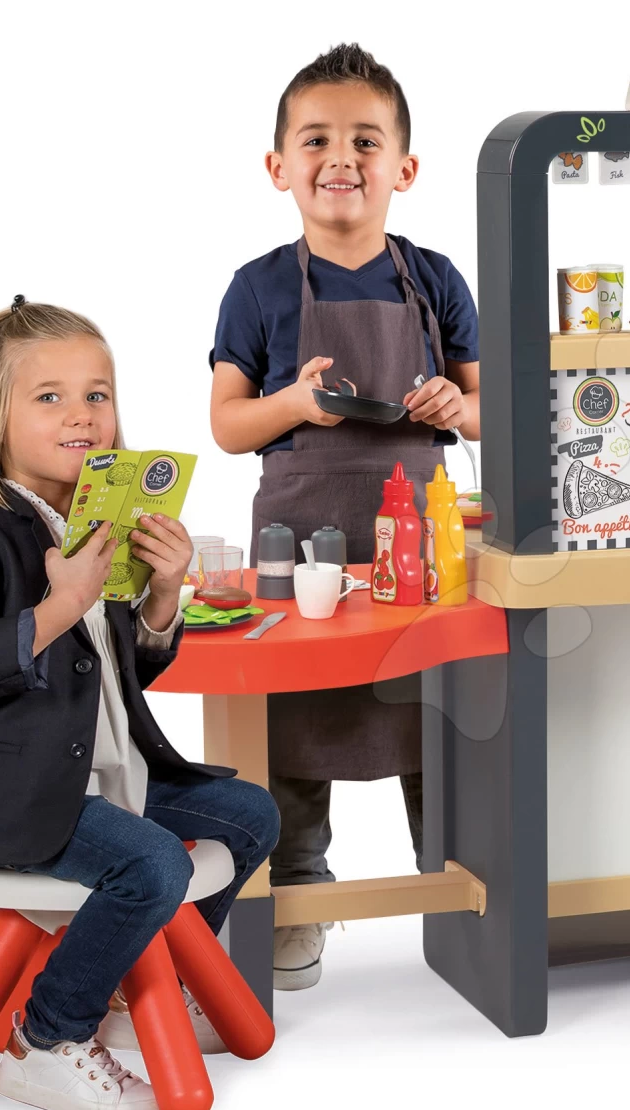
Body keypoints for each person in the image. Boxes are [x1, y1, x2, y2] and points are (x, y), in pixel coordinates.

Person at [0, 299, 280, 1110]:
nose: (81, 414)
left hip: (112, 772)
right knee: (153, 866)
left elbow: (122, 675)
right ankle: (47, 1037)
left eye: (97, 395)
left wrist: (162, 594)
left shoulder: (97, 522)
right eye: (49, 397)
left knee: (251, 815)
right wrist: (60, 604)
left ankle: (134, 986)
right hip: (18, 795)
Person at [209, 43, 480, 991]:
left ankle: (454, 883)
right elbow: (228, 424)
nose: (341, 158)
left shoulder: (435, 279)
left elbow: (492, 409)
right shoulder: (258, 287)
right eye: (316, 139)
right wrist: (294, 403)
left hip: (423, 550)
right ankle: (295, 895)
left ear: (404, 168)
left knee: (435, 715)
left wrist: (455, 406)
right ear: (278, 166)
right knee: (293, 724)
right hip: (297, 544)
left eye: (366, 140)